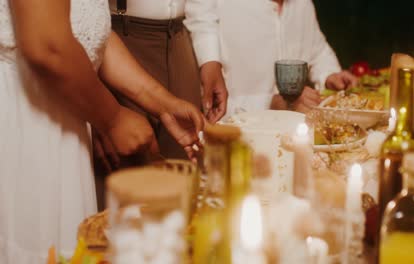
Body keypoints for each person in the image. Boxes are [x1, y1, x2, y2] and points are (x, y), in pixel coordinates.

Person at [0, 0, 204, 263]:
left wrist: (162, 102)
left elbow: (84, 28)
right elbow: (48, 46)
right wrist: (113, 118)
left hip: (58, 122)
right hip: (27, 130)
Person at [185, 0, 358, 116]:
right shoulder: (217, 10)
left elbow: (317, 51)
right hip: (239, 147)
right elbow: (208, 105)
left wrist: (329, 76)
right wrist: (272, 104)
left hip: (299, 139)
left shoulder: (302, 4)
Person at [107, 0, 228, 160]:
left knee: (186, 163)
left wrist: (210, 58)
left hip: (180, 39)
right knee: (129, 166)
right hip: (120, 40)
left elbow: (201, 6)